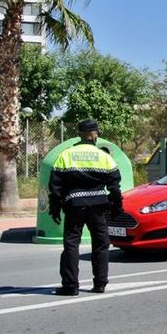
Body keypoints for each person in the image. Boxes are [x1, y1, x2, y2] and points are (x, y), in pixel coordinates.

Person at [48, 120, 123, 296]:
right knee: (101, 244)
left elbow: (55, 186)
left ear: (79, 134)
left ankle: (71, 286)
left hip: (74, 205)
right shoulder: (103, 156)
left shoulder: (66, 155)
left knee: (71, 244)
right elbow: (114, 186)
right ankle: (100, 284)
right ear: (95, 134)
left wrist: (55, 208)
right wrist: (116, 208)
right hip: (98, 206)